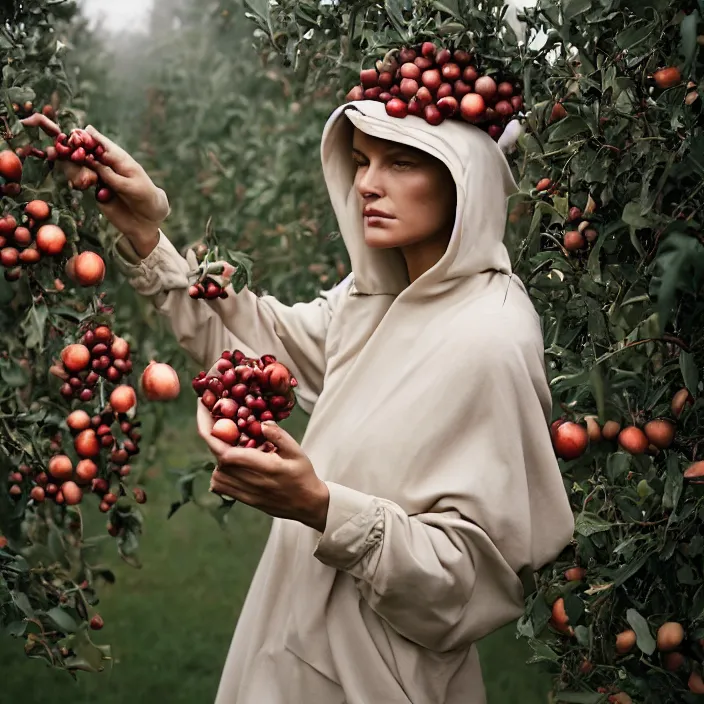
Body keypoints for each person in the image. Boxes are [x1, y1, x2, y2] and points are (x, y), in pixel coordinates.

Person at [24, 99, 574, 703]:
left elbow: (474, 579)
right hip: (286, 646)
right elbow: (255, 348)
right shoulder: (372, 299)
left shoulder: (490, 338)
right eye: (362, 162)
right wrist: (144, 231)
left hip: (377, 682)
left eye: (400, 163)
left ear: (466, 174)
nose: (367, 183)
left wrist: (319, 506)